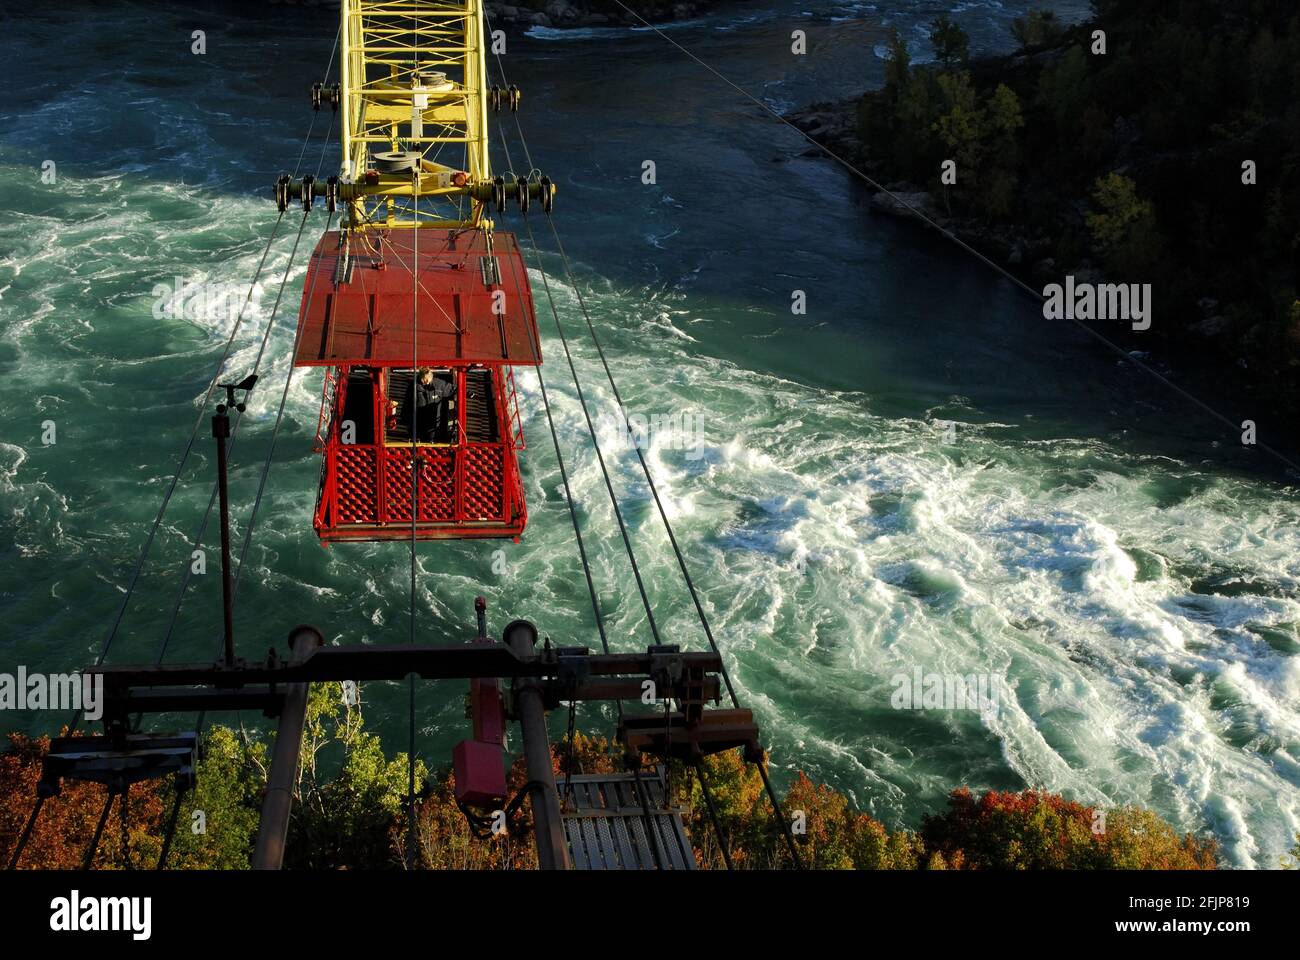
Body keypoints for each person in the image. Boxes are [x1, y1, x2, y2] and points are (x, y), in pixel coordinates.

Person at [395, 367, 454, 442]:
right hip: (418, 423)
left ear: (431, 378)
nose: (425, 382)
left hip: (434, 424)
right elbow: (407, 403)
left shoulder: (439, 385)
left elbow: (453, 389)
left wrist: (469, 393)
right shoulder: (414, 386)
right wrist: (405, 419)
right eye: (423, 379)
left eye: (426, 380)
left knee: (432, 441)